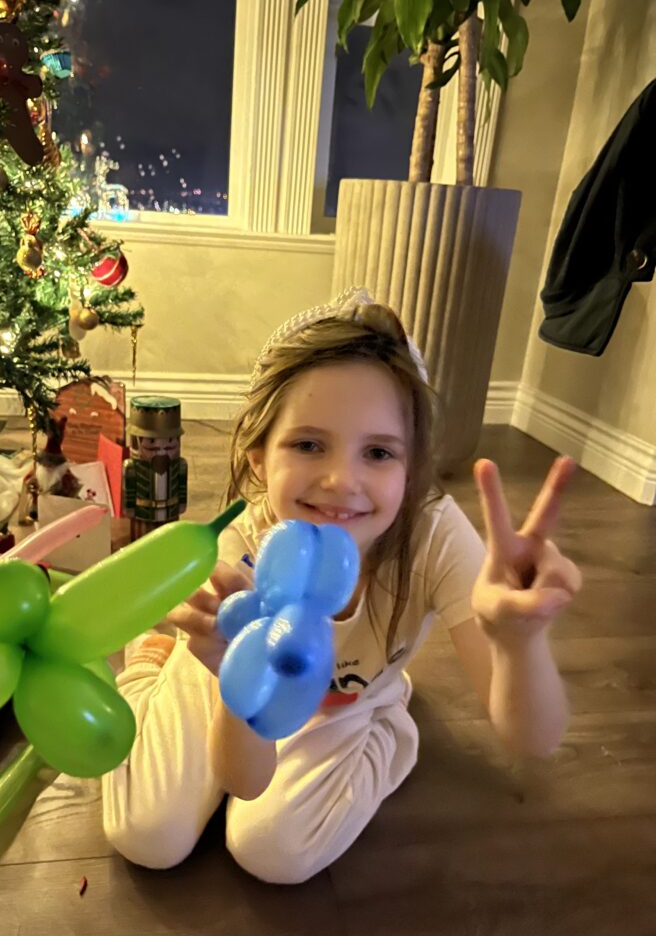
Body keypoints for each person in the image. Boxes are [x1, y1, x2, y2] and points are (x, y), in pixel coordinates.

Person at [101, 287, 582, 885]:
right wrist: (233, 674)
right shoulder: (239, 560)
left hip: (343, 700)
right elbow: (242, 777)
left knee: (272, 854)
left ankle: (388, 718)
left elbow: (532, 740)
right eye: (308, 444)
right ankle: (153, 665)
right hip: (221, 678)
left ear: (412, 471)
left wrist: (519, 642)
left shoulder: (434, 536)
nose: (340, 481)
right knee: (147, 836)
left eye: (378, 452)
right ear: (258, 457)